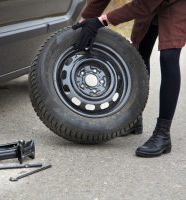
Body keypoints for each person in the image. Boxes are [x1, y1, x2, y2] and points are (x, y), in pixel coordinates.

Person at [73, 0, 186, 157]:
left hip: (177, 4)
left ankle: (163, 134)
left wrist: (100, 21)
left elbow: (143, 6)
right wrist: (86, 18)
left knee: (169, 56)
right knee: (140, 52)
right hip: (148, 4)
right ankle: (134, 120)